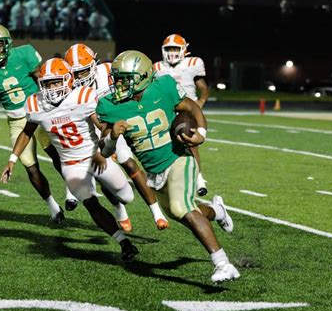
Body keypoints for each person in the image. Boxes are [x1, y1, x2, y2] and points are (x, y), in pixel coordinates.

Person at [97, 50, 240, 283]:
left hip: (178, 158)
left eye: (125, 78)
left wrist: (201, 133)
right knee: (180, 212)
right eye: (117, 78)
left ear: (143, 76)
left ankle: (223, 263)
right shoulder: (110, 106)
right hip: (154, 171)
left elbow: (192, 108)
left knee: (180, 206)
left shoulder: (163, 87)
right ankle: (217, 211)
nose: (119, 84)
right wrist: (112, 136)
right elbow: (104, 151)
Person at [0, 58, 139, 261]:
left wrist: (108, 142)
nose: (52, 88)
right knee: (91, 204)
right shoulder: (35, 103)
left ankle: (117, 199)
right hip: (71, 165)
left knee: (127, 197)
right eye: (47, 83)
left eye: (56, 82)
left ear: (68, 80)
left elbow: (101, 126)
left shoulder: (83, 96)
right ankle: (124, 243)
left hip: (94, 156)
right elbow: (26, 132)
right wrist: (12, 160)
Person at [0, 23, 73, 224]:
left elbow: (44, 80)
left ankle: (71, 191)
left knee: (55, 151)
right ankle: (53, 208)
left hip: (39, 113)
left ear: (7, 43)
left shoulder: (24, 54)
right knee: (30, 166)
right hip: (16, 121)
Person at [64, 43, 169, 231]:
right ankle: (119, 210)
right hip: (91, 132)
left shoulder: (108, 71)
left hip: (118, 121)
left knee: (129, 163)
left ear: (93, 66)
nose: (79, 78)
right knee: (103, 172)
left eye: (83, 72)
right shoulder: (68, 89)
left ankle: (156, 212)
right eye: (75, 73)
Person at [153, 34, 209, 196]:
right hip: (167, 110)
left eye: (175, 49)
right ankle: (164, 177)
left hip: (186, 110)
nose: (172, 52)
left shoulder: (192, 63)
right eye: (169, 49)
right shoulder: (158, 67)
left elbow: (203, 88)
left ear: (184, 49)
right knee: (166, 145)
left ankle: (199, 179)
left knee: (190, 142)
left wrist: (199, 103)